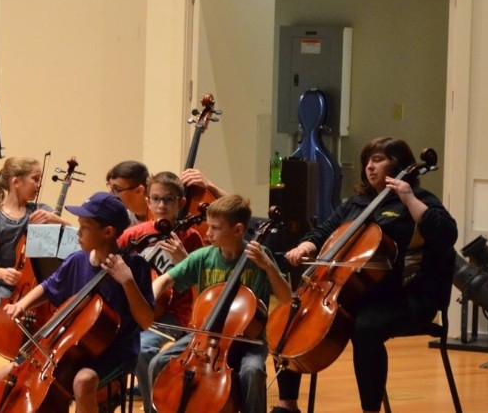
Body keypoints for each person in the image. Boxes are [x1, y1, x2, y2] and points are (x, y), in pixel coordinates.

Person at [271, 137, 457, 413]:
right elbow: (325, 230)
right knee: (291, 315)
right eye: (367, 161)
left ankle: (370, 410)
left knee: (365, 328)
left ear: (399, 164)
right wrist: (306, 244)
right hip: (356, 292)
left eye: (378, 159)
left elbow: (446, 233)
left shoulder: (420, 201)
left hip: (406, 298)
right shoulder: (357, 203)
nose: (370, 167)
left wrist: (408, 197)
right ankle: (288, 404)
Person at [0, 192, 153, 412]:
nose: (78, 233)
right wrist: (22, 304)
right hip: (73, 346)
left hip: (116, 350)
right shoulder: (78, 259)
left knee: (82, 381)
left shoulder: (135, 266)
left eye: (85, 227)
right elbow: (48, 286)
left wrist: (128, 282)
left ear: (108, 232)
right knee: (3, 375)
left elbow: (146, 321)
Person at [148, 194, 292, 413]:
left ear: (238, 230)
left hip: (248, 340)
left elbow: (287, 297)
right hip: (203, 336)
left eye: (215, 228)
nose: (208, 233)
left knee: (252, 371)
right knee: (157, 363)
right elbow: (165, 279)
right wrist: (150, 300)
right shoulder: (204, 256)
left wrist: (268, 267)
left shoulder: (260, 257)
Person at [0, 156, 66, 407]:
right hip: (2, 287)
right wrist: (0, 272)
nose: (39, 185)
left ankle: (28, 375)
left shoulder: (41, 211)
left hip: (34, 287)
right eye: (35, 179)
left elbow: (73, 236)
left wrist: (56, 221)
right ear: (16, 182)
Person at [119, 171, 205, 412]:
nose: (161, 205)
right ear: (147, 201)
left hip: (175, 317)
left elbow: (202, 286)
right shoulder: (136, 234)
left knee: (143, 349)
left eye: (168, 199)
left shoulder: (190, 237)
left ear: (181, 203)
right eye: (155, 199)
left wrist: (183, 260)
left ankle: (153, 408)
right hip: (138, 312)